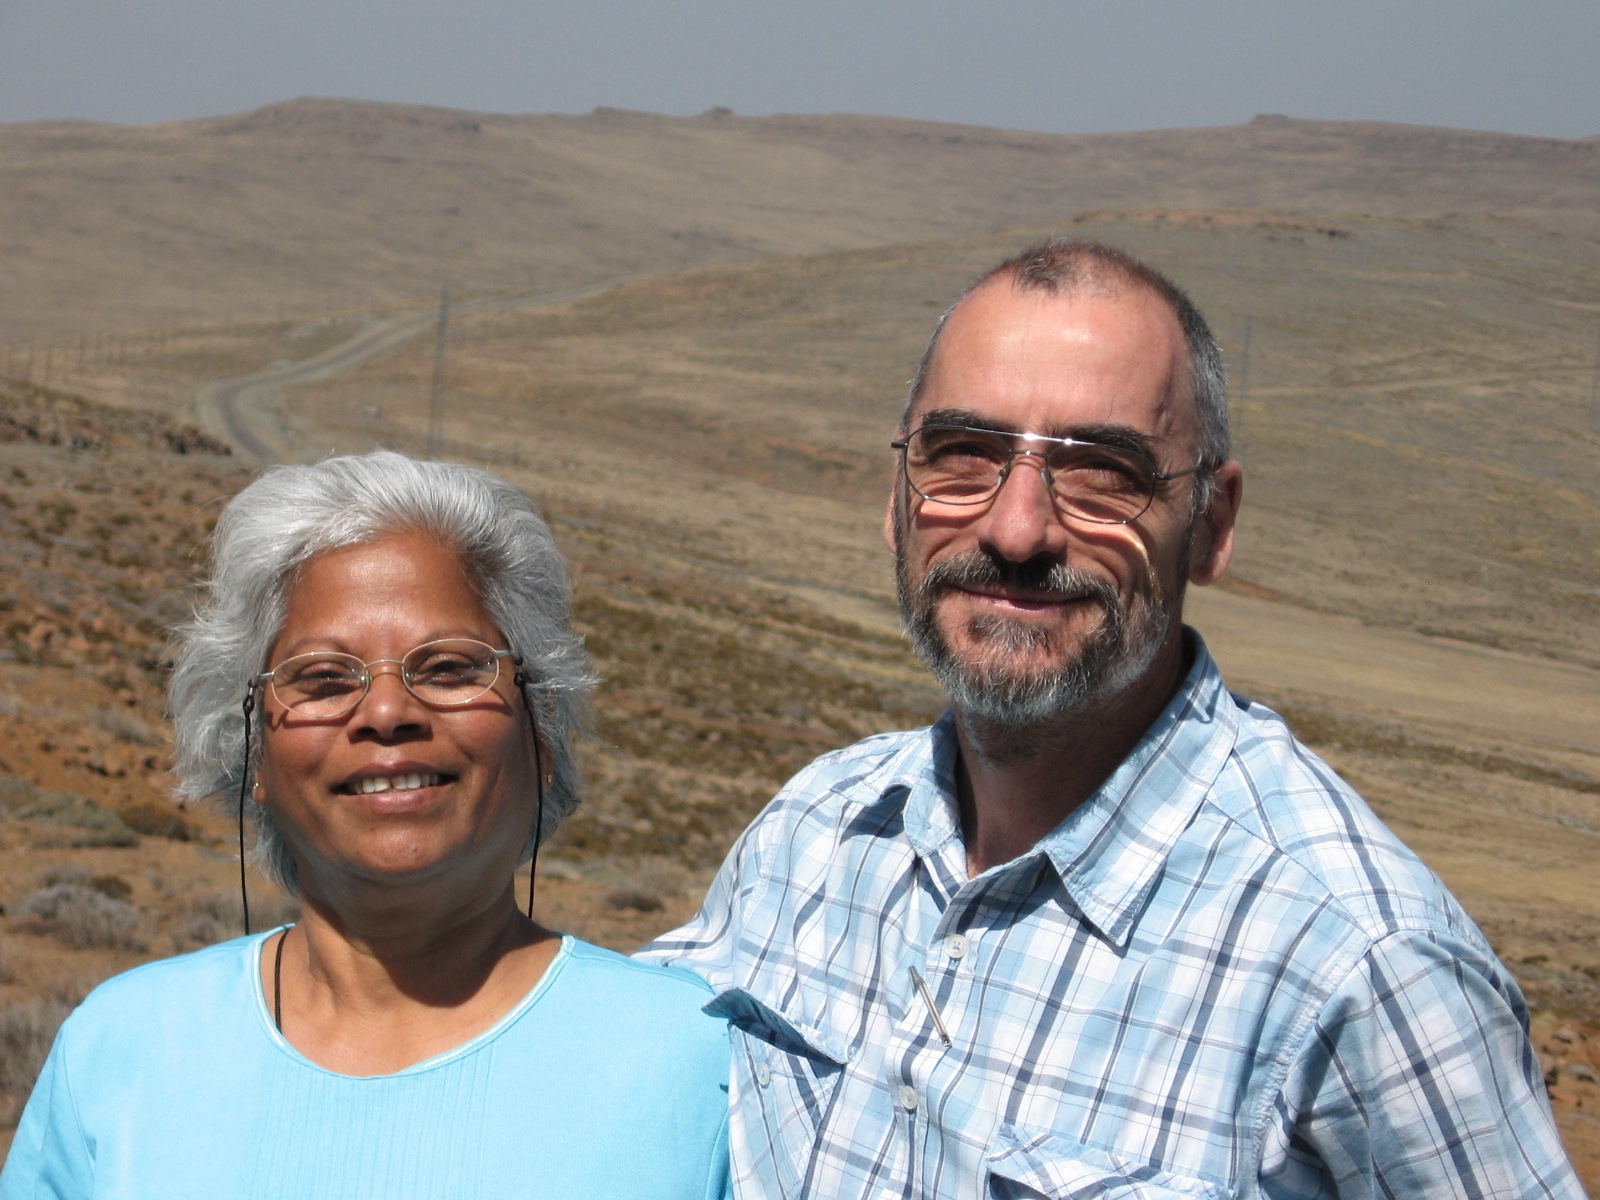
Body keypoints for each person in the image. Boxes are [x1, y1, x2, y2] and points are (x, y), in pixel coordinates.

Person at [642, 242, 1581, 1198]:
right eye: (962, 455)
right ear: (897, 498)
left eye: (1102, 473)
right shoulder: (815, 833)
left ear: (1212, 525)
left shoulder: (1358, 961)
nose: (1016, 529)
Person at [2, 451, 730, 1199]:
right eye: (321, 679)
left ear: (540, 733)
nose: (387, 713)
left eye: (450, 668)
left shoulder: (705, 1069)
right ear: (250, 751)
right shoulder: (120, 1052)